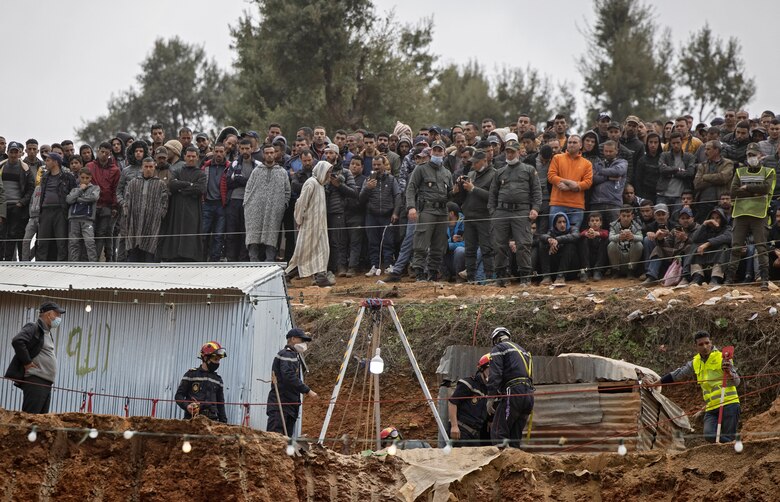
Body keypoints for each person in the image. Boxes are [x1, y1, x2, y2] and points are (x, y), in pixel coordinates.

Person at [656, 331, 740, 443]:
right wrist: (656, 383)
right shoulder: (695, 362)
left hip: (729, 404)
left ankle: (733, 448)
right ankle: (734, 445)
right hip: (711, 407)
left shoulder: (723, 357)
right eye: (701, 344)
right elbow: (678, 374)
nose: (705, 347)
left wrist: (729, 373)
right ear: (695, 346)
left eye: (707, 343)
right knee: (710, 435)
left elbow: (737, 382)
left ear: (711, 343)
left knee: (728, 438)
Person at [488, 140, 542, 286]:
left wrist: (535, 208)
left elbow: (537, 192)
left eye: (512, 151)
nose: (510, 154)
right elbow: (492, 194)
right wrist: (493, 213)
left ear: (518, 152)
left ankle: (525, 277)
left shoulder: (529, 170)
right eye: (507, 151)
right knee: (499, 245)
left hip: (521, 211)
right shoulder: (500, 172)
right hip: (501, 212)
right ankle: (501, 277)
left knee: (523, 244)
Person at [724, 143, 776, 289]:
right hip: (740, 213)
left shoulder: (769, 171)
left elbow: (766, 188)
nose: (751, 157)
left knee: (761, 247)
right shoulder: (740, 172)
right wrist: (755, 192)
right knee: (736, 247)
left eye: (754, 155)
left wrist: (746, 187)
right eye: (749, 155)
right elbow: (733, 191)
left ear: (760, 155)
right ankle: (729, 278)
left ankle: (764, 279)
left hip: (759, 214)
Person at [4, 301, 65, 413]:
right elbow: (18, 341)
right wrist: (27, 362)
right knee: (31, 419)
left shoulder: (47, 333)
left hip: (46, 382)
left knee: (41, 422)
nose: (59, 318)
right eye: (57, 314)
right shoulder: (33, 327)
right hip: (36, 380)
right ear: (49, 314)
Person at [406, 140, 453, 281]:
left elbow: (450, 194)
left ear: (444, 153)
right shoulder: (421, 169)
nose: (437, 153)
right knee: (421, 244)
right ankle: (419, 274)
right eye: (435, 150)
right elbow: (411, 188)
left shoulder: (447, 173)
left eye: (440, 151)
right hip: (427, 210)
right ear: (431, 152)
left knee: (439, 246)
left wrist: (455, 191)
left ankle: (433, 274)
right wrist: (411, 207)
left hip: (442, 211)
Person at [286, 161, 334, 286]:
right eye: (328, 172)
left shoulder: (320, 185)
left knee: (323, 250)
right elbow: (300, 203)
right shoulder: (311, 183)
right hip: (309, 225)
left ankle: (321, 277)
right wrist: (299, 220)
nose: (329, 175)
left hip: (320, 226)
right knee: (304, 252)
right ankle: (286, 275)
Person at [487, 327, 534, 448]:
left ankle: (501, 464)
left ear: (495, 339)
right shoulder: (523, 351)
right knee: (514, 436)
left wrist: (491, 397)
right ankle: (514, 464)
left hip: (513, 391)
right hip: (528, 394)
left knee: (498, 432)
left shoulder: (499, 348)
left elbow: (495, 374)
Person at [158, 146, 207, 261]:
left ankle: (190, 257)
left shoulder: (201, 174)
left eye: (193, 156)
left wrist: (181, 188)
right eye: (188, 156)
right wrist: (189, 184)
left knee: (191, 234)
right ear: (184, 157)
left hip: (193, 211)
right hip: (177, 211)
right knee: (176, 233)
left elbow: (200, 189)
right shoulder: (177, 171)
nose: (191, 158)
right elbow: (172, 185)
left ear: (197, 158)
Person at [244, 144, 291, 262]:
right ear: (263, 154)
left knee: (272, 235)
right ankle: (253, 260)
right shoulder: (256, 171)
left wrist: (283, 204)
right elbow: (248, 189)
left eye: (272, 152)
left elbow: (287, 191)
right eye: (267, 153)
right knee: (254, 235)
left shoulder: (282, 172)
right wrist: (247, 204)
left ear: (275, 154)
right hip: (255, 209)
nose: (270, 155)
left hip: (274, 211)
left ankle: (269, 260)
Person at [267, 328, 317, 436]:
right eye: (302, 340)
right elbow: (289, 376)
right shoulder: (286, 354)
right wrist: (307, 390)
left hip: (289, 405)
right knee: (276, 439)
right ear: (293, 339)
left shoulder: (294, 356)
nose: (304, 344)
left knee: (286, 440)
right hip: (281, 404)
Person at [122, 157, 169, 262]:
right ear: (142, 167)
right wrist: (127, 215)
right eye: (146, 167)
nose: (148, 169)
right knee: (133, 258)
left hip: (152, 226)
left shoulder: (160, 184)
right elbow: (127, 201)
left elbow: (164, 203)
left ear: (154, 167)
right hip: (134, 224)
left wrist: (158, 216)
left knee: (149, 259)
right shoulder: (133, 183)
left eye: (151, 167)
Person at [37, 153, 78, 261]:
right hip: (45, 210)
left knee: (61, 242)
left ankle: (62, 267)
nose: (46, 162)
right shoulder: (45, 176)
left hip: (61, 211)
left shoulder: (68, 176)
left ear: (56, 162)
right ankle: (40, 267)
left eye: (48, 160)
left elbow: (73, 193)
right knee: (42, 241)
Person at [175, 342, 228, 423]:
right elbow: (179, 396)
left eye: (219, 360)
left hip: (213, 422)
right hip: (192, 420)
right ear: (205, 357)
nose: (217, 363)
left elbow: (221, 405)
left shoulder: (218, 380)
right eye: (215, 359)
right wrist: (187, 406)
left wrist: (224, 424)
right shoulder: (190, 375)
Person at [547, 135, 593, 230]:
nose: (571, 144)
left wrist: (572, 187)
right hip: (557, 204)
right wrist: (569, 182)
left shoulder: (587, 163)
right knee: (554, 234)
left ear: (580, 145)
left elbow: (588, 182)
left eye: (574, 142)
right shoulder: (557, 158)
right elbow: (551, 176)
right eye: (569, 142)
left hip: (576, 206)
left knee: (573, 236)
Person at [86, 143, 120, 261]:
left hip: (107, 205)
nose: (104, 154)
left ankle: (95, 260)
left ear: (110, 154)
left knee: (102, 233)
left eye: (107, 153)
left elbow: (116, 189)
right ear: (98, 150)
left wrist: (115, 206)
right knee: (90, 234)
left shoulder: (115, 170)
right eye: (102, 151)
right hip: (91, 205)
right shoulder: (90, 166)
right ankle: (89, 259)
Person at [448, 353, 491, 447]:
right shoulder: (468, 383)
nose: (493, 373)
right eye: (490, 369)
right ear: (482, 369)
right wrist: (454, 426)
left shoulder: (489, 389)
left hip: (475, 435)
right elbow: (452, 402)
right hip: (461, 431)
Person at [66, 168, 100, 262]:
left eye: (87, 178)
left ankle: (93, 264)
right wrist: (80, 190)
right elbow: (69, 200)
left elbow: (94, 197)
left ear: (90, 178)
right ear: (79, 177)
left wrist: (78, 199)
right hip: (74, 218)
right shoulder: (75, 189)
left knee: (89, 242)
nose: (84, 180)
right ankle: (73, 264)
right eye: (82, 177)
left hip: (87, 219)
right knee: (73, 242)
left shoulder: (95, 188)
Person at [607, 206, 644, 277]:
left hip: (630, 257)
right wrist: (619, 237)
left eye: (628, 216)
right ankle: (615, 270)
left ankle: (631, 270)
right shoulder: (613, 225)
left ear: (632, 216)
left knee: (638, 244)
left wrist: (633, 237)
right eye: (623, 216)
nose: (626, 218)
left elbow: (641, 237)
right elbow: (610, 237)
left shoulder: (636, 226)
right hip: (618, 257)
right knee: (612, 244)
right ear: (619, 215)